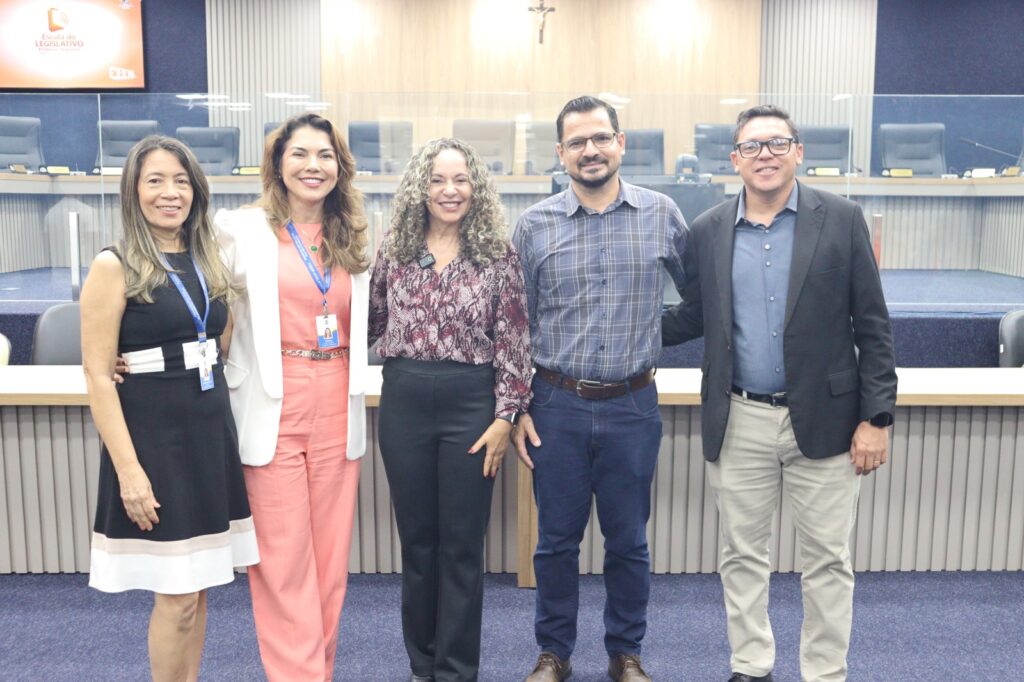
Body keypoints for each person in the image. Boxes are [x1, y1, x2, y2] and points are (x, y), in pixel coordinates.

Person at [662, 104, 897, 682]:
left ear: (798, 152)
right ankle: (751, 664)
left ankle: (825, 671)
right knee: (742, 554)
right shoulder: (708, 230)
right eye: (752, 146)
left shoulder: (841, 219)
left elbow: (873, 326)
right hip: (739, 417)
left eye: (776, 143)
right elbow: (693, 315)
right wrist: (619, 324)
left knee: (828, 559)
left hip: (828, 418)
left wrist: (877, 418)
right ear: (734, 159)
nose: (764, 155)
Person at [512, 96, 688, 682]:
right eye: (577, 142)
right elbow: (515, 326)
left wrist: (650, 333)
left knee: (629, 543)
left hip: (633, 406)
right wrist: (517, 407)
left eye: (601, 138)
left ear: (620, 143)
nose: (591, 150)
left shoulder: (662, 214)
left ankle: (625, 653)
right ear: (560, 153)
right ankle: (554, 653)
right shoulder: (534, 225)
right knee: (555, 543)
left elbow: (701, 298)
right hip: (555, 405)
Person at [82, 135, 259, 681]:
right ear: (133, 191)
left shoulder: (207, 259)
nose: (170, 193)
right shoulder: (114, 265)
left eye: (181, 181)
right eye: (155, 180)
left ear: (196, 190)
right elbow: (97, 375)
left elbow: (217, 337)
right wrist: (129, 472)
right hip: (155, 444)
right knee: (176, 596)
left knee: (198, 590)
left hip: (208, 434)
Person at [369, 137, 532, 682]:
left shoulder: (497, 253)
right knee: (418, 544)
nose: (450, 190)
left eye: (461, 179)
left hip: (471, 404)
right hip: (405, 399)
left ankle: (457, 670)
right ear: (421, 187)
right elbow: (369, 321)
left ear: (475, 187)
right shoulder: (394, 247)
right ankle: (423, 664)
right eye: (438, 179)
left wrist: (505, 417)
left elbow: (514, 341)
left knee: (461, 547)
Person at [214, 113, 370, 681]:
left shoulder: (353, 234)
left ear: (339, 167)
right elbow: (200, 304)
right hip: (272, 404)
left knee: (329, 565)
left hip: (338, 403)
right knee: (283, 563)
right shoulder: (239, 228)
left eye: (325, 155)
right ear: (278, 164)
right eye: (299, 153)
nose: (313, 165)